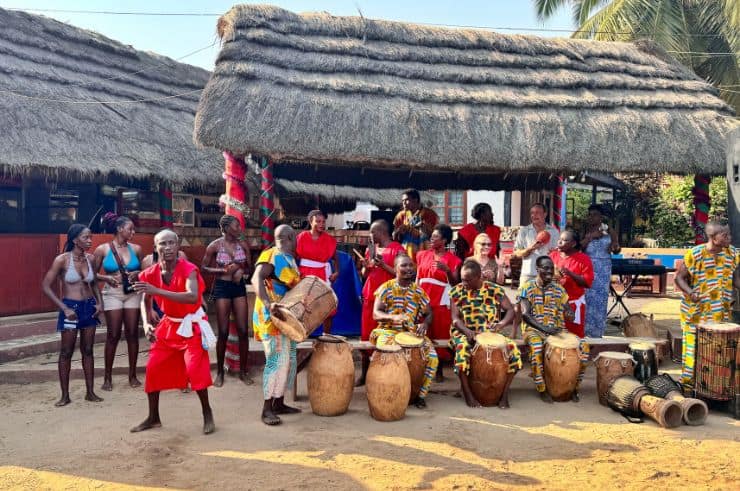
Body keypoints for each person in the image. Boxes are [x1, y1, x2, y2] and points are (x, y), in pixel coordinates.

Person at [130, 229, 216, 434]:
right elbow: (145, 299)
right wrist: (146, 322)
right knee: (153, 368)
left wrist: (156, 291)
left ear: (178, 246)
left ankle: (207, 412)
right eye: (163, 244)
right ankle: (153, 417)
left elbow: (191, 296)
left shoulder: (189, 269)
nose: (167, 248)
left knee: (195, 370)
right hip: (169, 327)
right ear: (156, 247)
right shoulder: (150, 273)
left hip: (191, 326)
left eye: (171, 243)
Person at [41, 224, 104, 407]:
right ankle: (65, 395)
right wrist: (64, 308)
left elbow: (93, 284)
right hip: (70, 309)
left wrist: (99, 302)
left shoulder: (90, 259)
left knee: (88, 350)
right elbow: (45, 285)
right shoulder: (62, 260)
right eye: (86, 237)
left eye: (90, 237)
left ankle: (90, 392)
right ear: (75, 240)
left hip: (89, 307)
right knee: (66, 351)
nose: (90, 241)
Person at [675, 221, 739, 393]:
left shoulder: (732, 253)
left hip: (720, 310)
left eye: (729, 235)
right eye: (725, 235)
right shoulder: (695, 254)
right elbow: (678, 278)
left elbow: (735, 280)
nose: (729, 238)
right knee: (692, 350)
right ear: (713, 237)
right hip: (696, 312)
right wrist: (691, 293)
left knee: (717, 352)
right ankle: (688, 387)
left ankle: (711, 388)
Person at [449, 260, 521, 408]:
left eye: (467, 280)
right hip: (464, 332)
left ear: (478, 277)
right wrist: (467, 331)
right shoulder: (456, 291)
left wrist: (501, 324)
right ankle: (468, 394)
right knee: (462, 351)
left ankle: (504, 395)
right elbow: (455, 319)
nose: (463, 283)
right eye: (462, 279)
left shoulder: (494, 290)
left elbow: (510, 310)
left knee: (514, 352)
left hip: (490, 334)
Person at [518, 256, 590, 403]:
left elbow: (567, 309)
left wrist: (569, 314)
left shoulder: (559, 289)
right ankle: (542, 388)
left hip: (558, 330)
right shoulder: (527, 287)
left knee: (584, 348)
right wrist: (544, 329)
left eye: (551, 268)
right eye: (546, 268)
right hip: (533, 330)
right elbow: (525, 315)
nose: (550, 271)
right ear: (537, 269)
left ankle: (575, 388)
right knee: (537, 347)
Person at [371, 254, 439, 409]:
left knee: (433, 357)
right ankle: (387, 392)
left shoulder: (418, 291)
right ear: (395, 269)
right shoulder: (386, 288)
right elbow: (376, 314)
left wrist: (425, 324)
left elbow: (429, 313)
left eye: (411, 265)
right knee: (387, 355)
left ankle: (420, 396)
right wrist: (393, 318)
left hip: (411, 333)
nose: (409, 269)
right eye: (404, 266)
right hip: (387, 331)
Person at [252, 225, 303, 426]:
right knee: (275, 361)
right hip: (271, 317)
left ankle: (279, 402)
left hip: (286, 317)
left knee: (287, 360)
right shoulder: (271, 254)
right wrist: (267, 304)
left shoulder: (290, 259)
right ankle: (266, 409)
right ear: (291, 237)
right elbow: (256, 278)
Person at [201, 215, 254, 387]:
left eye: (239, 225)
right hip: (222, 288)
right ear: (226, 228)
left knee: (242, 331)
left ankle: (243, 371)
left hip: (238, 288)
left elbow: (250, 267)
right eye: (236, 225)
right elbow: (203, 268)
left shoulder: (243, 244)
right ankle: (220, 372)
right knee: (223, 332)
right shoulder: (215, 246)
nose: (239, 228)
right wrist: (223, 270)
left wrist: (239, 269)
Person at [92, 214, 143, 391]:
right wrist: (106, 277)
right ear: (120, 229)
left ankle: (133, 375)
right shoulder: (102, 249)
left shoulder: (136, 249)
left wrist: (137, 274)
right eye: (130, 229)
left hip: (132, 293)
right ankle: (107, 377)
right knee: (113, 335)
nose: (133, 232)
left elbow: (143, 273)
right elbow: (91, 274)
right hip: (112, 293)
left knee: (132, 334)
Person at [356, 220, 404, 386]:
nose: (370, 235)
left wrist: (383, 265)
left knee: (388, 335)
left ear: (381, 231)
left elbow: (402, 273)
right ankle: (364, 375)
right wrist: (366, 267)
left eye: (372, 232)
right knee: (366, 335)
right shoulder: (371, 249)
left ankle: (387, 374)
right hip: (370, 295)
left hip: (389, 299)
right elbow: (364, 274)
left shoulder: (397, 248)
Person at [415, 224, 462, 380]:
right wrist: (415, 296)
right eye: (432, 236)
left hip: (441, 299)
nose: (432, 239)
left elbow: (455, 284)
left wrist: (447, 270)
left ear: (445, 240)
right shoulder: (422, 254)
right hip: (423, 296)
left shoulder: (453, 259)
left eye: (436, 237)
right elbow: (418, 278)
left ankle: (439, 369)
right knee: (423, 332)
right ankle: (422, 367)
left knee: (440, 332)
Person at [296, 210, 339, 335]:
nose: (322, 224)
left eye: (323, 222)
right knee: (304, 306)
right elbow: (293, 257)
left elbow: (335, 259)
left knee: (328, 307)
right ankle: (301, 335)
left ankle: (326, 336)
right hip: (305, 275)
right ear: (310, 222)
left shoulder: (329, 239)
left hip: (322, 274)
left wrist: (337, 272)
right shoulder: (302, 237)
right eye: (318, 221)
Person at [581, 204, 621, 338]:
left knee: (600, 300)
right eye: (590, 215)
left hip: (603, 269)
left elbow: (616, 248)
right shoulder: (583, 230)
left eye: (595, 215)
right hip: (587, 267)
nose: (591, 217)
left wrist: (614, 247)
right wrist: (591, 236)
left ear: (601, 217)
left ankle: (597, 333)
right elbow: (578, 248)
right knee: (586, 300)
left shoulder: (610, 231)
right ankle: (584, 332)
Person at [549, 230, 594, 338]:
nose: (559, 242)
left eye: (564, 240)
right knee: (553, 338)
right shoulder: (552, 256)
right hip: (553, 304)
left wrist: (570, 274)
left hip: (573, 305)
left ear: (573, 243)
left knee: (574, 339)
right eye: (559, 239)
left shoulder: (583, 259)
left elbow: (587, 283)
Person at [513, 203, 559, 285]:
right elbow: (516, 253)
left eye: (537, 212)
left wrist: (553, 253)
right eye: (532, 213)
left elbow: (558, 253)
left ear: (545, 214)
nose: (534, 215)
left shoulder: (554, 232)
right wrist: (530, 248)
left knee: (548, 298)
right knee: (524, 297)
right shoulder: (524, 231)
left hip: (547, 274)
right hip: (528, 274)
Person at [392, 188, 439, 261]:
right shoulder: (400, 215)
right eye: (403, 201)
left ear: (415, 200)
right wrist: (398, 231)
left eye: (406, 200)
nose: (404, 203)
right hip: (405, 252)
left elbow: (435, 235)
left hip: (424, 252)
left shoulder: (430, 214)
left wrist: (423, 227)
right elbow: (394, 236)